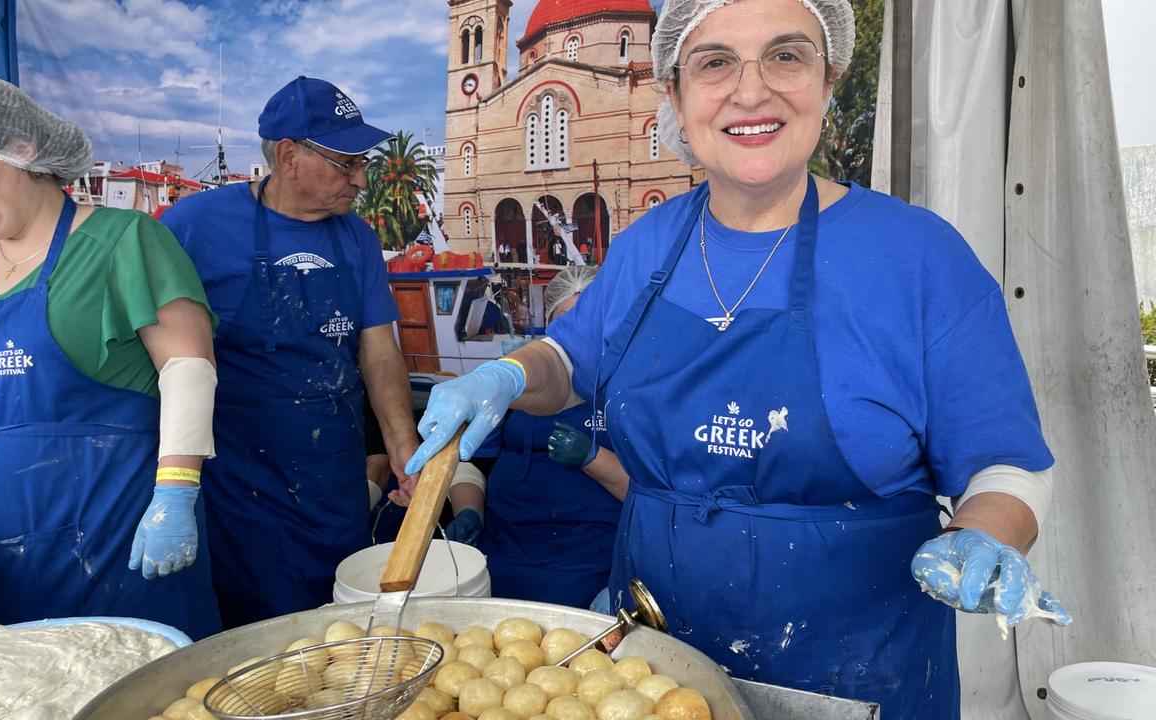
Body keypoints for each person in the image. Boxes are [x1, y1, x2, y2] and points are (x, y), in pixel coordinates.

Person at [403, 1, 1071, 717]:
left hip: (858, 677)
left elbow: (1007, 464)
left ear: (828, 79)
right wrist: (507, 375)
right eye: (716, 62)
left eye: (786, 56)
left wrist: (985, 534)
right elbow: (567, 361)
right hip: (659, 675)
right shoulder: (644, 248)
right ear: (676, 95)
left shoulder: (919, 259)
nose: (750, 91)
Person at [0, 74, 221, 639]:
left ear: (20, 149)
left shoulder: (123, 240)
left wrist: (176, 492)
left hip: (102, 551)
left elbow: (188, 370)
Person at [161, 75, 419, 627]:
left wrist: (403, 446)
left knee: (340, 620)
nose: (361, 178)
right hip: (239, 471)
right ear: (287, 155)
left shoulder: (358, 238)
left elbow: (378, 350)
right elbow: (156, 352)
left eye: (364, 161)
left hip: (333, 468)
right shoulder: (193, 226)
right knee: (256, 629)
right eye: (346, 163)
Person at [443, 266, 627, 608]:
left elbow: (647, 494)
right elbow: (471, 464)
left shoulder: (628, 393)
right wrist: (469, 511)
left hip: (586, 556)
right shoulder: (517, 383)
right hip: (502, 541)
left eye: (591, 326)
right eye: (567, 326)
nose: (580, 340)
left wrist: (592, 458)